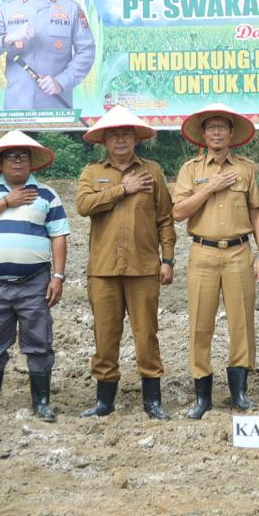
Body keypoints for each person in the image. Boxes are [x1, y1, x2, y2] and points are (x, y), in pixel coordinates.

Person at [0, 131, 69, 421]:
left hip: (35, 282)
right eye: (11, 156)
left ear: (31, 162)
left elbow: (59, 236)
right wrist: (8, 201)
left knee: (39, 341)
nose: (18, 161)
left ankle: (42, 401)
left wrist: (58, 276)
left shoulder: (47, 194)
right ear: (0, 161)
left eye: (23, 156)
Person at [76, 105, 176, 419]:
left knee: (146, 334)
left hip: (144, 267)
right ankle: (104, 401)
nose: (120, 140)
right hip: (103, 270)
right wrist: (122, 189)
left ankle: (152, 400)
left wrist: (168, 258)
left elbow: (165, 219)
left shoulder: (153, 171)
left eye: (126, 134)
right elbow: (83, 205)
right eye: (114, 135)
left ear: (135, 139)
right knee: (105, 336)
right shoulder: (92, 172)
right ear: (104, 140)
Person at [172, 103, 259, 419]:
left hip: (240, 252)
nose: (216, 132)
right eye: (210, 127)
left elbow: (257, 212)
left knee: (242, 322)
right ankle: (202, 396)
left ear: (231, 133)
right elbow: (178, 212)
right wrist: (210, 188)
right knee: (200, 324)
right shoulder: (191, 170)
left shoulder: (247, 168)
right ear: (203, 135)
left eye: (221, 127)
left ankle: (239, 392)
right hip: (202, 252)